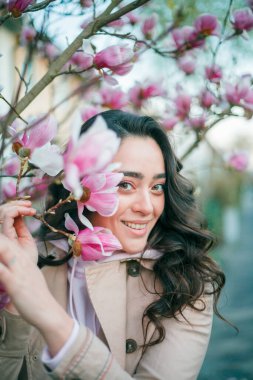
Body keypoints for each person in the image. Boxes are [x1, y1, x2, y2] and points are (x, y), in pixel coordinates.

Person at [0, 110, 225, 379]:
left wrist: (52, 319)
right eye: (126, 185)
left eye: (157, 187)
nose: (147, 207)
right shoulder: (36, 262)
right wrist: (15, 297)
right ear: (79, 186)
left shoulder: (186, 281)